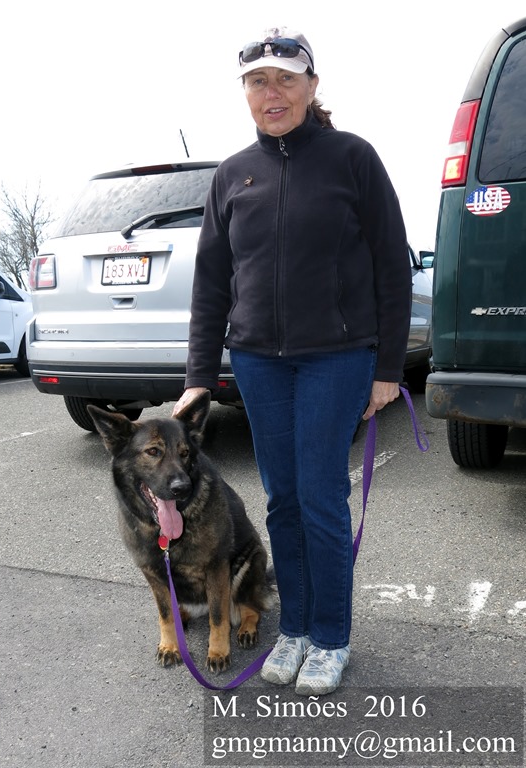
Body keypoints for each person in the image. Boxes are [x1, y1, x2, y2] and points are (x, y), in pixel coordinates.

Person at [172, 26, 412, 696]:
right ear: (245, 92)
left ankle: (330, 637)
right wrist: (197, 378)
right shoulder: (231, 175)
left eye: (285, 78)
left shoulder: (352, 158)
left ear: (311, 86)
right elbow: (211, 282)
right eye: (258, 81)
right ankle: (296, 628)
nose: (271, 92)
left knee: (320, 497)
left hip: (336, 357)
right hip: (258, 361)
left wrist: (387, 369)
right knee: (281, 500)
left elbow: (391, 267)